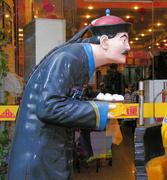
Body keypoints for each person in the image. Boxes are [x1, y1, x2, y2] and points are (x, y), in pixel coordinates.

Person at [8, 9, 131, 180]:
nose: (128, 47)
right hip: (39, 161)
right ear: (104, 41)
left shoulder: (80, 59)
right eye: (123, 40)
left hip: (50, 154)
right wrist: (98, 110)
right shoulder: (70, 58)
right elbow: (48, 106)